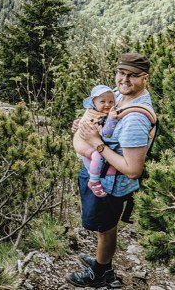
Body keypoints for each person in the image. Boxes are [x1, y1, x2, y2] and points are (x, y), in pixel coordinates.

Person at [66, 52, 155, 288]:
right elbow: (100, 116)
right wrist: (82, 124)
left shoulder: (135, 118)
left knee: (105, 227)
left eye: (132, 76)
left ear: (144, 78)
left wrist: (96, 142)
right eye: (121, 73)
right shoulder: (117, 97)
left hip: (110, 184)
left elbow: (133, 169)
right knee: (106, 227)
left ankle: (100, 272)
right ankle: (102, 261)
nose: (124, 80)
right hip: (104, 177)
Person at [72, 85, 115, 197]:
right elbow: (105, 133)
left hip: (83, 142)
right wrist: (111, 119)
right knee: (98, 155)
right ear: (93, 103)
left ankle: (92, 176)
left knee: (90, 164)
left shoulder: (94, 112)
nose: (107, 104)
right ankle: (94, 181)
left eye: (111, 101)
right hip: (84, 143)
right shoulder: (96, 115)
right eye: (102, 102)